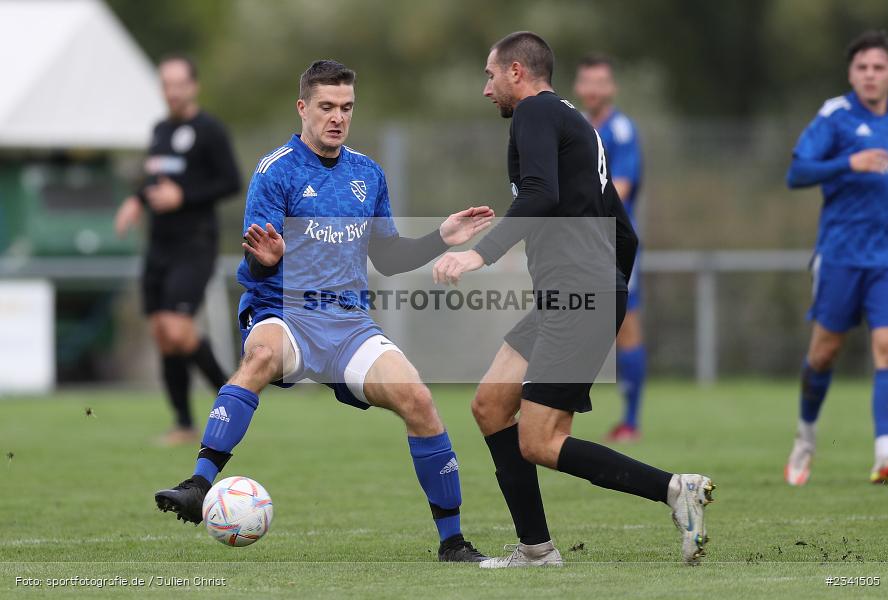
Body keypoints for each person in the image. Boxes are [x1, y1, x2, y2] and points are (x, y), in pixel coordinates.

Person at [154, 60, 491, 562]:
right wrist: (264, 260)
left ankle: (453, 542)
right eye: (327, 107)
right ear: (303, 108)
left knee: (419, 400)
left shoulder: (367, 175)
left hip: (348, 324)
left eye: (347, 108)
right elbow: (259, 262)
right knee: (260, 356)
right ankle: (199, 484)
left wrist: (441, 237)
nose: (337, 117)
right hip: (283, 312)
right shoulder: (276, 171)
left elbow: (389, 257)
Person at [432, 31, 714, 568]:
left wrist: (480, 255)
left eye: (490, 76)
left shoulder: (535, 114)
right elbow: (624, 233)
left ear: (517, 72)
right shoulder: (577, 125)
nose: (486, 89)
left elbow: (540, 193)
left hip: (578, 293)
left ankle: (677, 491)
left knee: (539, 440)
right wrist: (611, 295)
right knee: (491, 406)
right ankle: (536, 550)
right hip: (579, 293)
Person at [785, 30, 888, 486]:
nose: (870, 75)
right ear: (852, 74)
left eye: (878, 67)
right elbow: (797, 172)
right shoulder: (835, 117)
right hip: (840, 257)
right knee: (824, 354)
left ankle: (885, 451)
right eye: (862, 68)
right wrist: (848, 163)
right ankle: (806, 436)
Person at [115, 54, 241, 446]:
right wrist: (137, 199)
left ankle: (234, 398)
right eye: (165, 84)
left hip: (194, 243)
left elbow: (231, 182)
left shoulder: (210, 131)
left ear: (193, 85)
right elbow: (156, 178)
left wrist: (183, 195)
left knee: (177, 328)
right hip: (159, 246)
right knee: (162, 334)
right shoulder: (159, 130)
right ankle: (184, 425)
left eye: (178, 83)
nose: (171, 91)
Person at [574, 54, 646, 443]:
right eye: (588, 81)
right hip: (576, 245)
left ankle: (631, 421)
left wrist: (573, 205)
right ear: (579, 87)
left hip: (613, 244)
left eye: (601, 81)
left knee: (626, 329)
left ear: (611, 87)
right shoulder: (578, 127)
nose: (594, 88)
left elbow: (622, 187)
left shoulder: (621, 130)